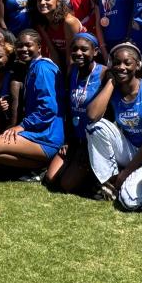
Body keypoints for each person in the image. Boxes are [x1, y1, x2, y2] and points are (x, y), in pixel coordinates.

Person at [85, 42, 142, 210]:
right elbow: (92, 116)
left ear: (138, 65)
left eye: (127, 63)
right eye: (116, 63)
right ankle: (109, 180)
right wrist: (111, 83)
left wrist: (126, 173)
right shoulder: (114, 90)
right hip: (129, 148)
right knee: (95, 127)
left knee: (128, 201)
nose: (121, 67)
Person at [0, 30, 63, 177]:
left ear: (39, 47)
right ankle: (35, 166)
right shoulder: (32, 67)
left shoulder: (43, 68)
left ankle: (41, 166)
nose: (23, 49)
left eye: (28, 45)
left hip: (47, 135)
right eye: (19, 46)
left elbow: (48, 108)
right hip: (36, 131)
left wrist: (22, 126)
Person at [46, 33, 104, 194]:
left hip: (94, 142)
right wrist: (68, 140)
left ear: (96, 51)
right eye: (75, 49)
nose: (78, 53)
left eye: (84, 49)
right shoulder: (73, 72)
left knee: (66, 185)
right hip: (76, 140)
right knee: (50, 178)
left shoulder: (104, 74)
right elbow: (70, 110)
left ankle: (97, 177)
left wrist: (88, 148)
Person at [33, 0, 81, 71]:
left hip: (78, 60)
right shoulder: (42, 23)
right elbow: (53, 52)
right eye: (39, 0)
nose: (42, 3)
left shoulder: (68, 22)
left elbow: (71, 54)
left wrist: (68, 77)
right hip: (63, 60)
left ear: (58, 1)